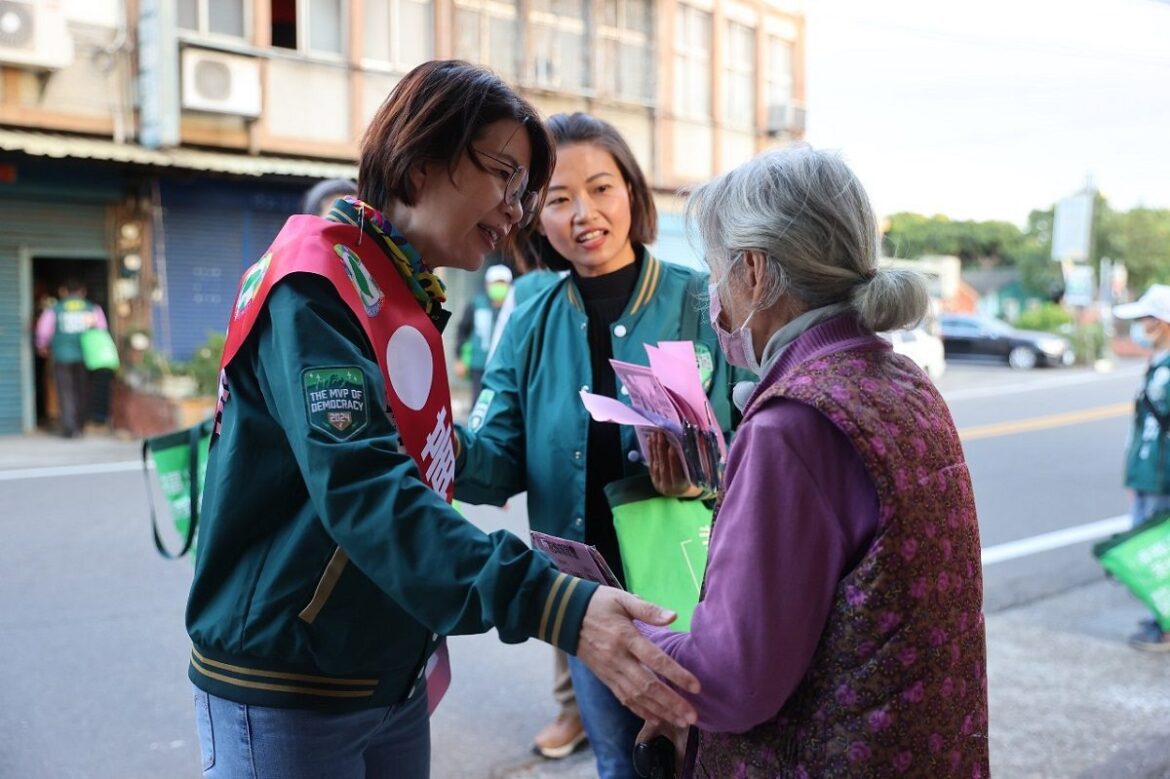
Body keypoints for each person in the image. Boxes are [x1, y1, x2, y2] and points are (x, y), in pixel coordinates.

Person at [186, 62, 699, 779]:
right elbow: (377, 490)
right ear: (421, 161)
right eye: (511, 180)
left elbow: (429, 462)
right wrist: (555, 601)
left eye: (529, 191)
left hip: (391, 666)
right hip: (293, 682)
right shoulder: (318, 284)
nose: (520, 209)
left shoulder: (400, 289)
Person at [637, 146, 990, 777]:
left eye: (715, 272)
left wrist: (613, 632)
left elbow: (730, 683)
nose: (712, 299)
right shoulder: (902, 380)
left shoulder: (792, 426)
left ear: (751, 271)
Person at [455, 112, 739, 778]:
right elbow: (495, 458)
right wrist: (427, 436)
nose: (584, 212)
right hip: (590, 607)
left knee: (717, 759)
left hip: (701, 591)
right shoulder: (528, 307)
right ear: (533, 214)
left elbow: (756, 446)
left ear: (633, 194)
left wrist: (700, 473)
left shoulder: (699, 298)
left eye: (602, 188)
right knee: (623, 764)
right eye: (558, 198)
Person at [1112, 283, 1170, 651]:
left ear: (1164, 322)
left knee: (1160, 555)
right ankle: (1158, 619)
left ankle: (1163, 626)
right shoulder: (1157, 364)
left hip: (1164, 476)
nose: (1141, 325)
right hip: (1149, 474)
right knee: (1152, 549)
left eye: (1147, 318)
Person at [35, 278, 108, 438]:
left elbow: (43, 331)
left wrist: (41, 346)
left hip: (62, 357)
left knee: (65, 392)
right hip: (86, 357)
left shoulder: (55, 309)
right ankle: (80, 426)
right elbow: (102, 330)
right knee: (82, 391)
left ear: (64, 291)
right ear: (83, 292)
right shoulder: (92, 309)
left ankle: (69, 428)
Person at [455, 263, 513, 399]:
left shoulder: (514, 306)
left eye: (502, 283)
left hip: (504, 365)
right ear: (487, 284)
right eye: (495, 283)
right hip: (479, 364)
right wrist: (459, 358)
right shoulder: (477, 303)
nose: (499, 287)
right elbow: (463, 330)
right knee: (478, 401)